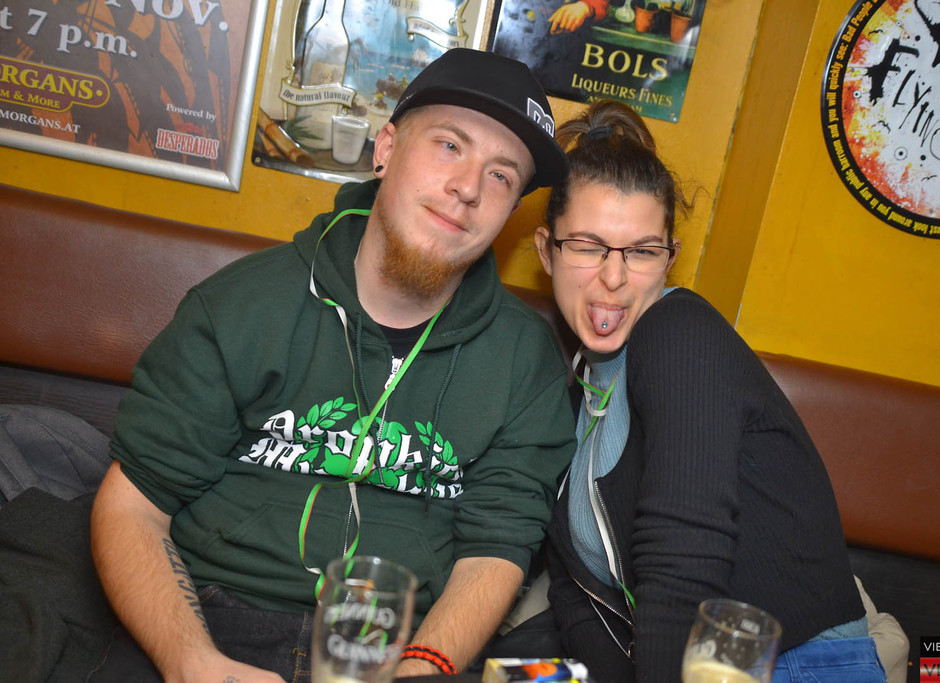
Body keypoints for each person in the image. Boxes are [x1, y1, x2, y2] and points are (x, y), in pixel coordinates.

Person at [89, 48, 577, 682]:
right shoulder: (240, 306)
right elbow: (132, 509)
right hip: (213, 622)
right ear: (386, 148)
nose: (468, 188)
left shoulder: (525, 359)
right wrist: (192, 662)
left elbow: (497, 546)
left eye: (502, 176)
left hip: (406, 645)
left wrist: (423, 668)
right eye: (449, 146)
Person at [533, 100, 888, 682]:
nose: (614, 277)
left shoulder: (680, 332)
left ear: (670, 258)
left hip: (795, 664)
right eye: (589, 246)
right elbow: (576, 597)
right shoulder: (573, 389)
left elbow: (683, 565)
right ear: (547, 250)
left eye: (642, 251)